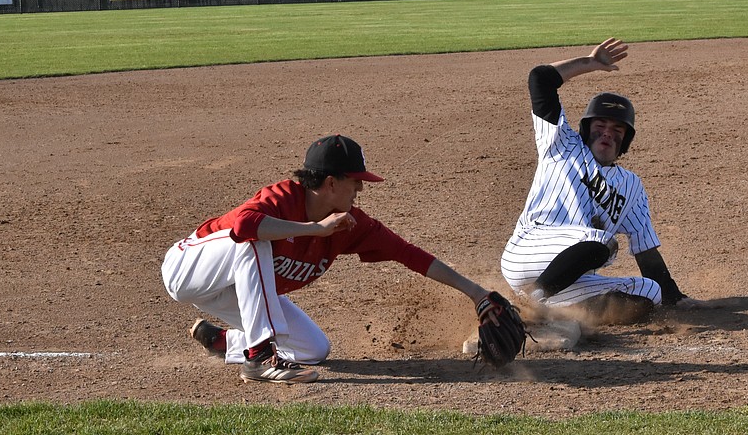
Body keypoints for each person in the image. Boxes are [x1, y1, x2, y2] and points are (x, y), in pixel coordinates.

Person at [162, 134, 506, 383]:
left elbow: (408, 254)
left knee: (312, 349)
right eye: (355, 182)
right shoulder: (282, 198)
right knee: (255, 239)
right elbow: (244, 225)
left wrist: (475, 293)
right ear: (330, 182)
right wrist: (315, 228)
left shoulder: (350, 224)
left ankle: (224, 342)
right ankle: (258, 358)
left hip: (231, 291)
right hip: (189, 269)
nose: (360, 190)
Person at [500, 37, 704, 320]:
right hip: (528, 251)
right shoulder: (561, 144)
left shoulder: (631, 185)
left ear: (625, 141)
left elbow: (644, 247)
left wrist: (674, 296)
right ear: (586, 129)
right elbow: (540, 79)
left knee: (649, 291)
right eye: (600, 125)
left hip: (566, 279)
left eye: (617, 129)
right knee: (602, 241)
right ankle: (528, 305)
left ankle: (563, 316)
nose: (608, 133)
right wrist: (590, 63)